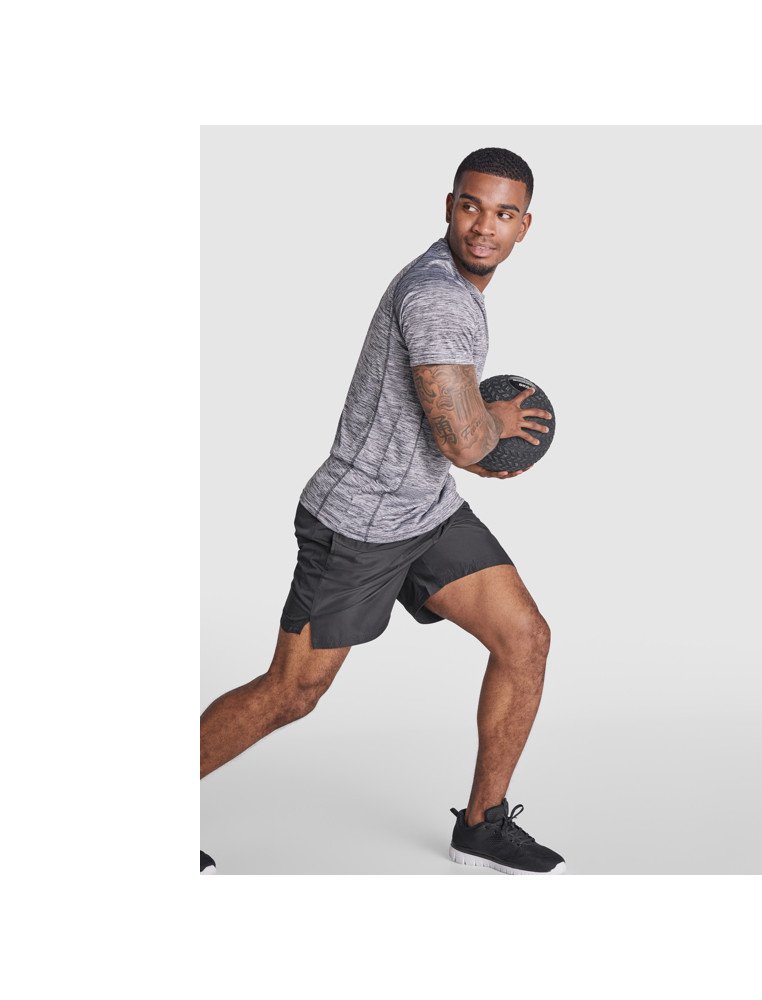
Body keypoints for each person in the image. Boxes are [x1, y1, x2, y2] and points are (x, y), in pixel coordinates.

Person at [200, 147, 564, 875]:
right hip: (358, 523)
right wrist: (493, 433)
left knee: (524, 639)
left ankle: (482, 826)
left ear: (525, 225)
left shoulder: (460, 285)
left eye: (503, 213)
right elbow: (462, 440)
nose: (484, 226)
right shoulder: (437, 299)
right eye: (471, 206)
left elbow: (450, 438)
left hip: (424, 510)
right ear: (449, 206)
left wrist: (476, 439)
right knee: (291, 692)